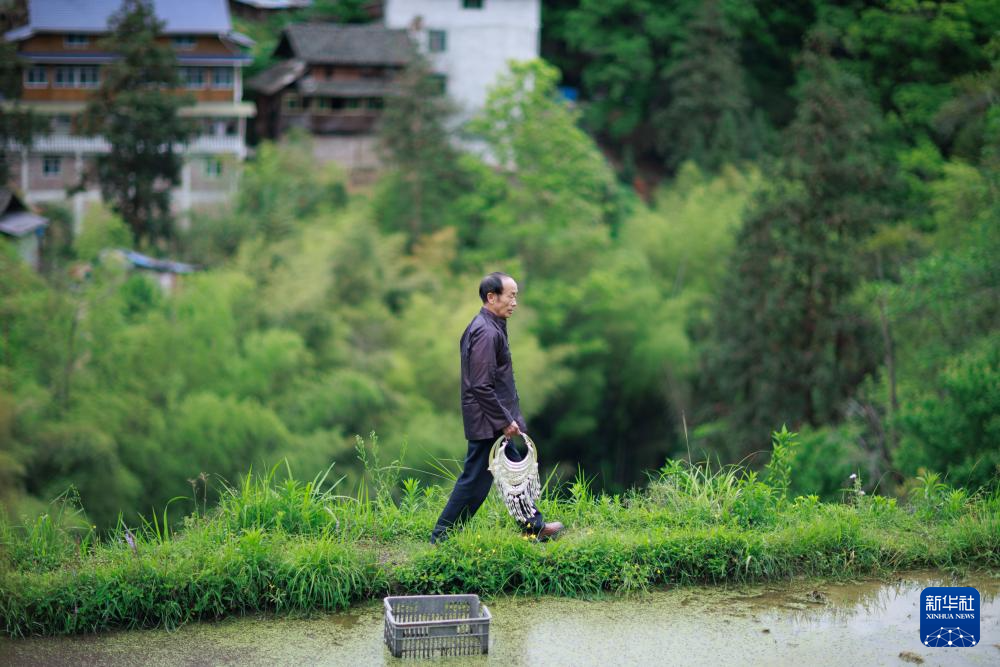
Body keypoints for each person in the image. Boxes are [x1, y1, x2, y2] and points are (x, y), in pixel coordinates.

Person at [430, 272, 564, 544]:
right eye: (510, 296)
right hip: (488, 420)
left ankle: (534, 527)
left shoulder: (490, 325)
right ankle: (440, 537)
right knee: (474, 482)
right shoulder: (487, 332)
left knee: (513, 472)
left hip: (490, 417)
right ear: (491, 297)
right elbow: (480, 385)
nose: (514, 302)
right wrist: (504, 420)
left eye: (515, 296)